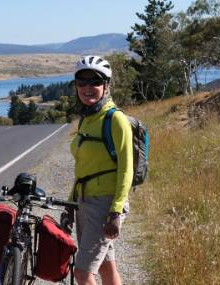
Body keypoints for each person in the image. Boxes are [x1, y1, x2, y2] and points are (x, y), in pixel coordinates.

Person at [65, 55, 133, 285]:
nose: (87, 88)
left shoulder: (115, 119)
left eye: (94, 81)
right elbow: (83, 168)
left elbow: (126, 170)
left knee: (82, 274)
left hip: (105, 205)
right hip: (86, 201)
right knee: (105, 265)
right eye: (81, 82)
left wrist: (115, 212)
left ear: (106, 85)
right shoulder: (87, 117)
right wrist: (71, 203)